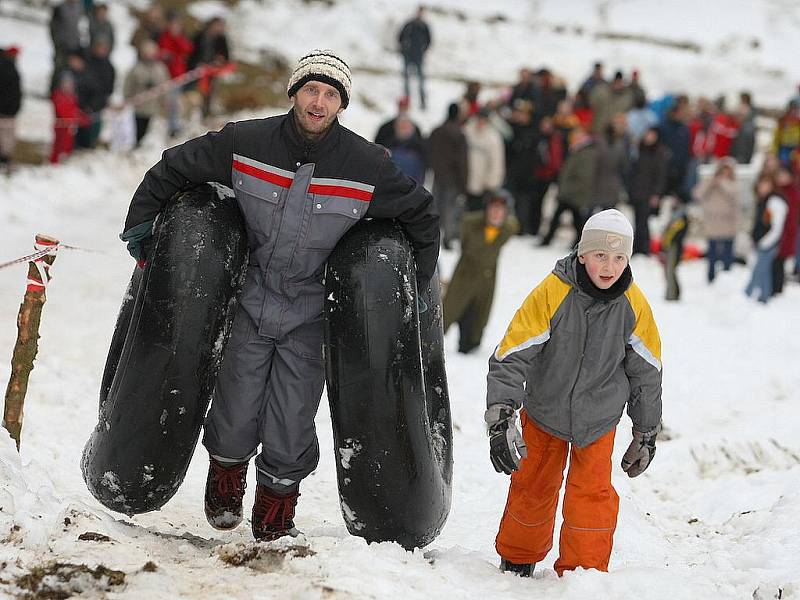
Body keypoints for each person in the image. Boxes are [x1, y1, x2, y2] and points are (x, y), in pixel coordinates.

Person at [118, 49, 439, 541]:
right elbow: (174, 168)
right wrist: (141, 228)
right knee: (234, 406)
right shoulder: (246, 142)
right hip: (249, 299)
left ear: (341, 104)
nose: (319, 102)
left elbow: (422, 216)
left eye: (331, 94)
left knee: (290, 417)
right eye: (311, 89)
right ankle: (226, 476)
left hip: (309, 315)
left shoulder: (365, 164)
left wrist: (410, 294)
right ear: (294, 93)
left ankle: (277, 500)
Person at [485, 208, 662, 577]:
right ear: (582, 254)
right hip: (545, 410)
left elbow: (647, 372)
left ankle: (584, 571)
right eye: (600, 255)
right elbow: (514, 351)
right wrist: (502, 415)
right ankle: (519, 555)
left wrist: (646, 432)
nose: (609, 266)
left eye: (618, 257)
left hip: (598, 418)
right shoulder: (553, 292)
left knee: (591, 495)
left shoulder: (633, 305)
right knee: (533, 484)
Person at [442, 190, 518, 353]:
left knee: (478, 318)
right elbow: (465, 245)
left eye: (500, 210)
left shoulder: (507, 228)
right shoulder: (470, 223)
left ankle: (471, 343)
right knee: (449, 310)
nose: (496, 213)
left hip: (486, 280)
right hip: (465, 276)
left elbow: (513, 226)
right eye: (493, 208)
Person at [428, 102, 468, 249]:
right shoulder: (459, 134)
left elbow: (429, 152)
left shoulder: (436, 131)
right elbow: (462, 161)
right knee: (449, 209)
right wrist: (464, 183)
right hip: (453, 179)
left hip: (438, 176)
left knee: (436, 208)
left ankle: (433, 237)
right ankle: (448, 238)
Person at [693, 158, 738, 282]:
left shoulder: (733, 184)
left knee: (727, 254)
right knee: (712, 253)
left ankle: (727, 277)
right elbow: (697, 194)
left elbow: (733, 195)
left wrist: (721, 183)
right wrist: (711, 183)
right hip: (712, 224)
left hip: (728, 225)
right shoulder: (710, 183)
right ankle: (711, 277)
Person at [745, 173, 787, 303]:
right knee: (764, 271)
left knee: (759, 270)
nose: (763, 187)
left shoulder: (775, 202)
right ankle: (764, 296)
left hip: (769, 243)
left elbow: (776, 227)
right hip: (761, 242)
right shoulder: (762, 200)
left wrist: (765, 242)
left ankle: (747, 294)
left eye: (766, 184)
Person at [627, 127, 667, 255]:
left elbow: (661, 176)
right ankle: (637, 247)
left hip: (648, 193)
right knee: (636, 220)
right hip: (636, 191)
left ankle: (644, 248)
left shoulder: (659, 153)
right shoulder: (639, 150)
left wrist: (656, 194)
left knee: (644, 221)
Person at [123, 39, 170, 146]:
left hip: (155, 107)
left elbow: (165, 85)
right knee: (139, 128)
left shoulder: (160, 68)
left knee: (153, 129)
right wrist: (128, 98)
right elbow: (128, 85)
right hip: (140, 106)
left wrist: (165, 100)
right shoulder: (136, 68)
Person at [463, 108, 505, 212]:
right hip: (466, 180)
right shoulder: (467, 131)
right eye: (479, 119)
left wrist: (492, 183)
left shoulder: (493, 137)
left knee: (477, 212)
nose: (481, 122)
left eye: (483, 120)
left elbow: (497, 162)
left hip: (483, 185)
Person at [397, 5, 431, 110]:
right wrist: (404, 48)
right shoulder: (409, 24)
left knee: (421, 80)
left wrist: (423, 50)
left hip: (418, 57)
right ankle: (407, 102)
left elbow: (429, 40)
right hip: (408, 55)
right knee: (407, 80)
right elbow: (400, 37)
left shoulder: (424, 26)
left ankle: (422, 102)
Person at [661, 201, 689, 301]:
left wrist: (665, 245)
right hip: (672, 247)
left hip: (674, 247)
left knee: (670, 271)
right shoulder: (678, 218)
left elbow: (672, 234)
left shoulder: (680, 219)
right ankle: (673, 293)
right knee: (670, 271)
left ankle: (672, 295)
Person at [0, 46, 22, 169]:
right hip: (7, 110)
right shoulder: (8, 67)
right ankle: (4, 159)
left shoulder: (9, 66)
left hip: (8, 109)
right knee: (6, 136)